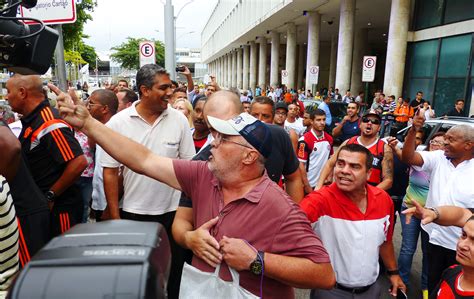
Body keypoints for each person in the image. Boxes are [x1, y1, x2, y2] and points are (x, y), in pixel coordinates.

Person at [54, 87, 336, 298]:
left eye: (223, 138)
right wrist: (90, 124)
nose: (213, 142)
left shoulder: (280, 208)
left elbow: (324, 275)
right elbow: (143, 160)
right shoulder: (204, 174)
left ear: (249, 157)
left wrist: (256, 261)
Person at [99, 64, 195, 298]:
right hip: (133, 214)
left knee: (174, 275)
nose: (170, 93)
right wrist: (115, 217)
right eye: (163, 88)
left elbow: (190, 169)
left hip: (174, 215)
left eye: (171, 87)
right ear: (144, 90)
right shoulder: (118, 123)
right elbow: (110, 172)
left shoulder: (179, 121)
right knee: (140, 276)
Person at [301, 144, 406, 298]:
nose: (344, 171)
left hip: (371, 291)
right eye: (340, 164)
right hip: (330, 292)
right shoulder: (317, 201)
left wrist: (394, 273)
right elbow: (285, 237)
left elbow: (385, 241)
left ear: (369, 173)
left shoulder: (384, 200)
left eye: (354, 166)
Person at [6, 74, 87, 238]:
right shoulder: (34, 120)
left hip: (60, 210)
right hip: (43, 208)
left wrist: (51, 195)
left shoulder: (49, 122)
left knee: (60, 258)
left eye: (8, 91)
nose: (6, 96)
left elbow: (78, 162)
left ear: (22, 92)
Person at [402, 112, 474, 293]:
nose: (445, 143)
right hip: (433, 235)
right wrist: (413, 130)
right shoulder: (439, 157)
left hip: (464, 243)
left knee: (460, 286)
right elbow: (408, 157)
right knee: (432, 280)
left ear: (468, 145)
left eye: (451, 139)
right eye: (445, 138)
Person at [389, 131, 446, 298]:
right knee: (407, 248)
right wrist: (394, 147)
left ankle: (426, 288)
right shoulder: (419, 159)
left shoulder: (446, 166)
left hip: (431, 215)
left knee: (428, 252)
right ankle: (402, 283)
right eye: (433, 141)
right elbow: (404, 156)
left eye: (440, 143)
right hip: (409, 210)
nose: (435, 144)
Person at [0, 121, 49, 268]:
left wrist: (3, 183)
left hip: (22, 210)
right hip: (20, 208)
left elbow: (11, 145)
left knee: (27, 275)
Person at [403, 204, 474, 298]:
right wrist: (433, 213)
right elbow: (461, 215)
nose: (462, 245)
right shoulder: (451, 272)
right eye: (463, 235)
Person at [316, 111, 394, 191]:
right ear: (360, 125)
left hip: (368, 197)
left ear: (379, 128)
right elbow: (329, 164)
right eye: (366, 120)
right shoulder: (349, 142)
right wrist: (318, 187)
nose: (369, 123)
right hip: (344, 192)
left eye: (375, 122)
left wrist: (368, 195)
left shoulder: (384, 148)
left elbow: (388, 181)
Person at [86, 89, 119, 222]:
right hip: (101, 201)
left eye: (92, 104)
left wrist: (110, 209)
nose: (88, 107)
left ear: (105, 108)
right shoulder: (100, 128)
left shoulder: (116, 129)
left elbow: (118, 174)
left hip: (111, 205)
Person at [297, 109, 333, 194]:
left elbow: (331, 160)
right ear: (311, 121)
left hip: (323, 184)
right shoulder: (304, 140)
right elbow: (301, 164)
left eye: (324, 119)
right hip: (309, 184)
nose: (322, 122)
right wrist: (306, 185)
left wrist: (330, 176)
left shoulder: (329, 139)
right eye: (318, 120)